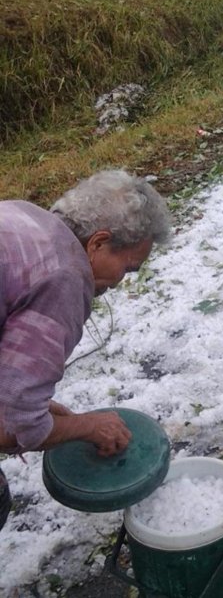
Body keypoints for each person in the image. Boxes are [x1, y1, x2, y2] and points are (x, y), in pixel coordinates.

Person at [0, 169, 171, 532]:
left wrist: (31, 403)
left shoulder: (24, 215)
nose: (124, 280)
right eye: (128, 266)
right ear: (98, 242)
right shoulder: (63, 277)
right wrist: (86, 427)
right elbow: (16, 429)